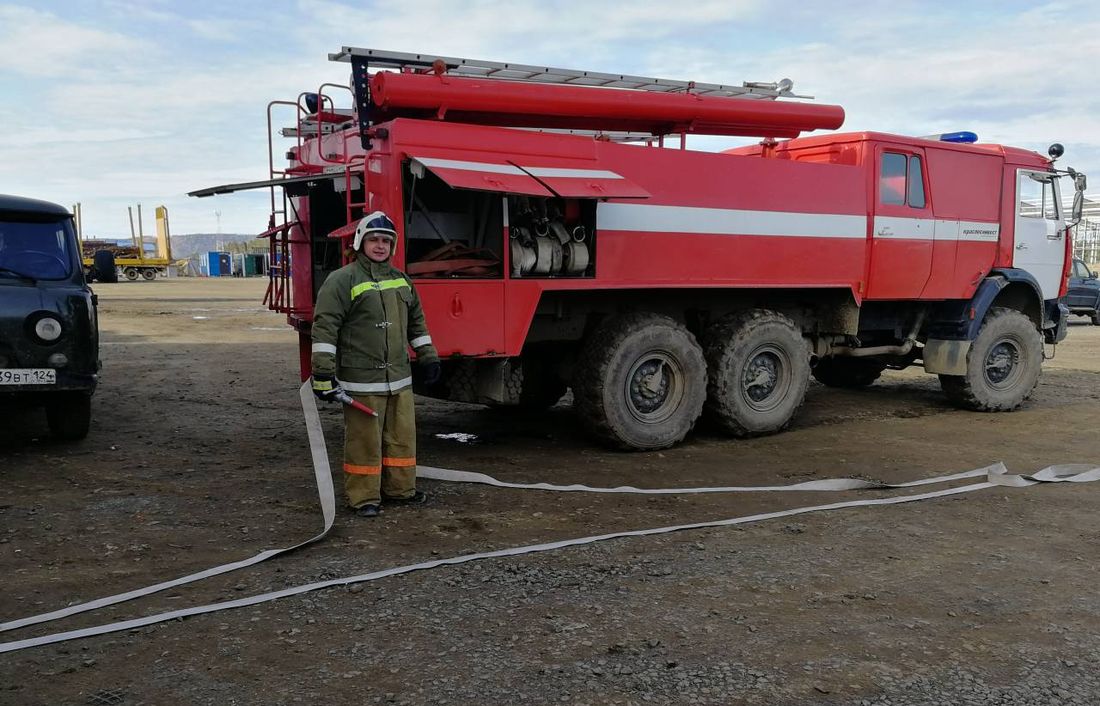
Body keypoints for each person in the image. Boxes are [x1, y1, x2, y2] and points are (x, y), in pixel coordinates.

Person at [310, 211, 441, 518]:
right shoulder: (342, 280)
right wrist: (323, 372)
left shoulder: (401, 281)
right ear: (360, 243)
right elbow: (325, 327)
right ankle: (363, 497)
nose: (380, 246)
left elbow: (417, 324)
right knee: (364, 442)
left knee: (401, 438)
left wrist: (428, 356)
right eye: (374, 240)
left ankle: (400, 490)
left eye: (386, 241)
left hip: (399, 380)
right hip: (361, 381)